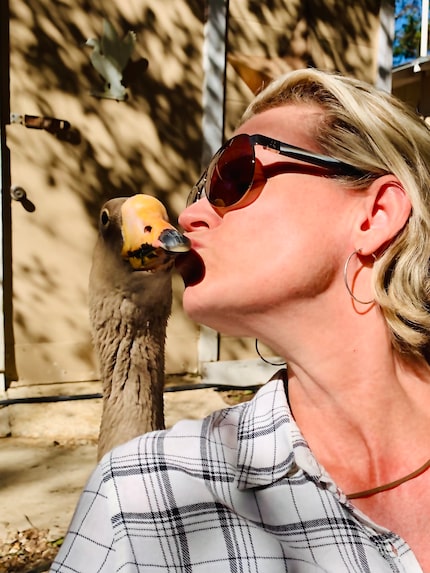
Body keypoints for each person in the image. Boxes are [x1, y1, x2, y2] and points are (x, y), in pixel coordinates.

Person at [50, 68, 430, 572]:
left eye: (235, 174)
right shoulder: (139, 501)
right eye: (196, 191)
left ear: (375, 215)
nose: (188, 216)